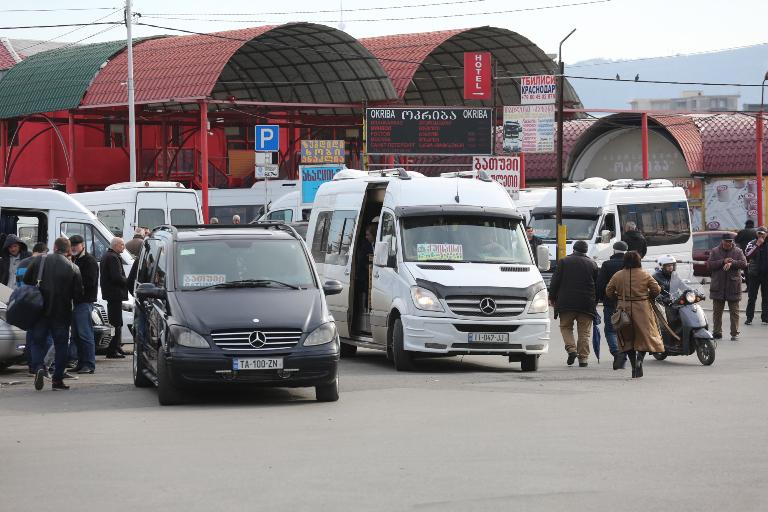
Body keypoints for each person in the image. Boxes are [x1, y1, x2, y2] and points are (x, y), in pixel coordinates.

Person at [23, 237, 83, 391]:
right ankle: (57, 380)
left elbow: (27, 280)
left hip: (40, 310)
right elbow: (78, 295)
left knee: (37, 341)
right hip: (62, 313)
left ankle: (38, 367)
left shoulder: (39, 261)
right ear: (68, 250)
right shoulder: (73, 268)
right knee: (61, 345)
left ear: (55, 247)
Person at [605, 251, 664, 378]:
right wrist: (649, 296)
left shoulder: (618, 275)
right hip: (643, 309)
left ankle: (633, 366)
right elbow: (656, 289)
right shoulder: (645, 274)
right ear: (638, 261)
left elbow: (609, 291)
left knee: (627, 339)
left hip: (624, 310)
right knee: (644, 337)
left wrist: (617, 299)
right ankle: (639, 360)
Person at [549, 240, 598, 367]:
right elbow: (597, 285)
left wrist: (552, 297)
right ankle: (583, 359)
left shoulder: (564, 261)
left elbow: (555, 281)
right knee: (584, 332)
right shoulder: (592, 264)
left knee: (566, 327)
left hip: (566, 302)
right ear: (586, 251)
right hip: (586, 304)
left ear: (574, 249)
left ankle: (571, 350)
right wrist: (595, 301)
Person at [707, 233, 747, 341]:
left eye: (730, 241)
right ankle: (717, 332)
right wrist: (722, 262)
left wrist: (732, 262)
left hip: (733, 286)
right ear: (722, 241)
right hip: (718, 286)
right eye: (726, 241)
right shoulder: (715, 251)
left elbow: (744, 263)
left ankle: (734, 333)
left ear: (732, 242)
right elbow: (709, 265)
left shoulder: (738, 251)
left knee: (734, 312)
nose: (728, 243)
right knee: (717, 313)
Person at [69, 234, 99, 374]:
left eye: (76, 245)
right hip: (76, 302)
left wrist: (73, 284)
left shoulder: (89, 261)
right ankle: (81, 363)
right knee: (76, 335)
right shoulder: (74, 259)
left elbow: (90, 282)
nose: (74, 247)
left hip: (84, 302)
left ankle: (89, 364)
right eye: (72, 245)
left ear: (82, 245)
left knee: (85, 334)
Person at [595, 241, 628, 368]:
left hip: (611, 303)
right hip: (630, 303)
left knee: (610, 330)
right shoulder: (631, 265)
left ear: (613, 251)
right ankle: (626, 353)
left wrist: (597, 299)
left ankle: (616, 352)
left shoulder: (607, 265)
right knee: (626, 330)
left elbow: (601, 284)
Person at [100, 237, 128, 358]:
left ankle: (116, 346)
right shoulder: (112, 257)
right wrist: (128, 281)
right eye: (122, 244)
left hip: (113, 294)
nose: (124, 247)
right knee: (115, 323)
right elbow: (116, 276)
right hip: (114, 294)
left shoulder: (110, 256)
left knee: (117, 322)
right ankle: (112, 350)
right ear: (115, 245)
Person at [744, 226, 768, 326]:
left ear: (766, 234)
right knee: (752, 297)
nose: (761, 235)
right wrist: (757, 245)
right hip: (754, 274)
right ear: (756, 234)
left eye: (763, 233)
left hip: (766, 275)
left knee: (766, 297)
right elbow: (748, 255)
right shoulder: (751, 243)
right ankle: (749, 317)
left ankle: (765, 317)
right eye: (759, 233)